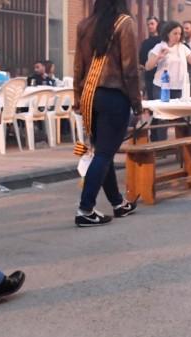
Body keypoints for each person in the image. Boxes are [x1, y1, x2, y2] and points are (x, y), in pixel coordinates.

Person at [73, 0, 143, 226]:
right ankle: (85, 209)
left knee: (104, 150)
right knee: (104, 153)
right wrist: (137, 103)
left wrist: (77, 96)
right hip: (114, 95)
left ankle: (118, 203)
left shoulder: (85, 25)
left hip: (89, 96)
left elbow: (78, 66)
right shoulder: (124, 23)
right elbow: (130, 68)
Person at [145, 20, 191, 141]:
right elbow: (148, 66)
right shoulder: (160, 47)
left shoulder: (183, 48)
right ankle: (160, 145)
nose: (178, 36)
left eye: (180, 34)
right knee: (163, 117)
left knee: (180, 116)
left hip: (178, 87)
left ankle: (183, 145)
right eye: (175, 33)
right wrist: (158, 57)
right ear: (168, 33)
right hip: (161, 87)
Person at [139, 16, 162, 100]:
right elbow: (141, 61)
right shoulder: (145, 43)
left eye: (152, 24)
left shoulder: (162, 41)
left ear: (157, 25)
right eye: (148, 24)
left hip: (160, 76)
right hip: (148, 76)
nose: (150, 26)